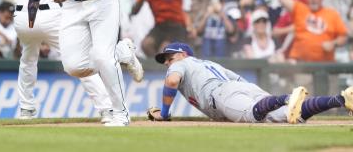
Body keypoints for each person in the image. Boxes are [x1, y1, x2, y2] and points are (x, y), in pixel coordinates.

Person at [10, 0, 144, 122]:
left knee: (29, 60)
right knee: (81, 60)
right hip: (49, 11)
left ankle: (26, 108)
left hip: (25, 12)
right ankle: (108, 100)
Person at [148, 42, 353, 123]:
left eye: (169, 57)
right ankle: (341, 99)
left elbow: (172, 81)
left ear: (182, 54)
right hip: (242, 88)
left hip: (220, 95)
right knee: (288, 117)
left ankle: (288, 97)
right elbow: (241, 82)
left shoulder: (181, 63)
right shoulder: (208, 64)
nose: (167, 63)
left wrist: (164, 115)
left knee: (253, 116)